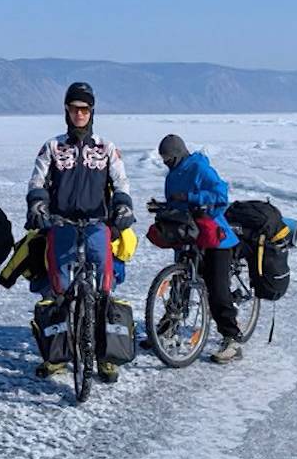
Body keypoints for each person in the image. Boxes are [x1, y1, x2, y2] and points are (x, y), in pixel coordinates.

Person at [26, 81, 135, 383]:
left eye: (84, 109)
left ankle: (106, 356)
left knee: (103, 289)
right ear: (66, 111)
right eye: (74, 108)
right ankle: (58, 355)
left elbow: (121, 182)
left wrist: (123, 206)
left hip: (97, 225)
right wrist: (37, 205)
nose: (79, 114)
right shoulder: (52, 146)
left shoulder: (106, 148)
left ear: (92, 112)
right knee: (59, 290)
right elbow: (37, 182)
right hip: (60, 224)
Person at [157, 134, 246, 363]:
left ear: (178, 154)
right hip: (188, 234)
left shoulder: (198, 167)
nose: (166, 163)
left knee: (217, 289)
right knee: (180, 282)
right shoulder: (173, 174)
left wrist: (190, 196)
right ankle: (169, 326)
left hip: (214, 237)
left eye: (169, 158)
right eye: (164, 159)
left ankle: (232, 338)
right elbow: (176, 201)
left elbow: (220, 193)